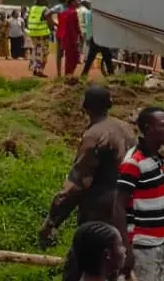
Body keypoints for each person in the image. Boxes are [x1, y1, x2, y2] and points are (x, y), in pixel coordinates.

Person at [39, 86, 136, 281]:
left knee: (82, 264)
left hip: (100, 209)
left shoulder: (94, 135)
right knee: (117, 261)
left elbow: (78, 183)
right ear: (110, 104)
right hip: (128, 205)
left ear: (85, 106)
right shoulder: (125, 128)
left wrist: (52, 220)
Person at [115, 107, 164, 281]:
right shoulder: (133, 162)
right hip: (142, 246)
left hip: (162, 242)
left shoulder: (156, 157)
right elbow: (117, 204)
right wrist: (125, 248)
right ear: (149, 129)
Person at [81, 1, 114, 77]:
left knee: (92, 58)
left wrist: (88, 37)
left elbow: (88, 26)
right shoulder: (98, 13)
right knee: (107, 58)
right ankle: (112, 75)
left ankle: (83, 75)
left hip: (96, 38)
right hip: (100, 38)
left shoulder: (90, 13)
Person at [27, 0, 53, 77]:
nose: (48, 2)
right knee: (44, 52)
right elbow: (49, 21)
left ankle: (35, 69)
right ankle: (40, 70)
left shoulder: (32, 8)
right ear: (43, 1)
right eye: (47, 1)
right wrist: (52, 27)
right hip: (42, 33)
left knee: (36, 51)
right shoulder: (45, 9)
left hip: (32, 32)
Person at [60, 0, 82, 76]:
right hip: (71, 39)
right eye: (77, 1)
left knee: (69, 59)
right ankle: (69, 75)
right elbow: (73, 28)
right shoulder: (73, 12)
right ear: (72, 2)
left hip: (66, 39)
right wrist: (76, 40)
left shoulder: (65, 12)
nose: (79, 2)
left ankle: (68, 75)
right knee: (74, 58)